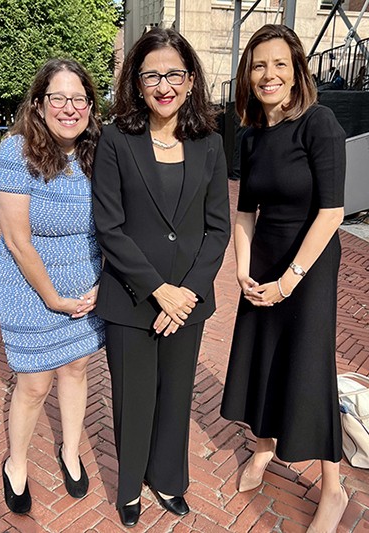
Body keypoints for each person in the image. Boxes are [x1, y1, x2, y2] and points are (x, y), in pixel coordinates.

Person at [92, 27, 230, 527]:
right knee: (132, 397)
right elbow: (109, 225)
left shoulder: (210, 143)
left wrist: (188, 292)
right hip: (132, 298)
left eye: (173, 73)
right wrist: (158, 290)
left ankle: (168, 478)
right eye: (152, 75)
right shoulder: (115, 140)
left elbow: (218, 229)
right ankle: (130, 485)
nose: (164, 84)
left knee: (176, 393)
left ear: (190, 80)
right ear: (137, 82)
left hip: (188, 302)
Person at [220, 24, 348, 533]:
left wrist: (289, 280)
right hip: (264, 261)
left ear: (297, 72)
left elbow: (332, 212)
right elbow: (245, 213)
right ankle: (264, 447)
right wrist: (242, 271)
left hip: (309, 265)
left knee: (308, 365)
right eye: (258, 65)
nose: (268, 74)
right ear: (247, 76)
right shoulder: (251, 136)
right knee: (262, 355)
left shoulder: (320, 124)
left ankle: (333, 488)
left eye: (278, 64)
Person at [0, 58, 105, 514]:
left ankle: (70, 449)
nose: (69, 107)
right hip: (30, 286)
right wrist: (51, 296)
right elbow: (18, 241)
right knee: (35, 384)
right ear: (39, 105)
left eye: (79, 98)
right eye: (57, 97)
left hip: (86, 284)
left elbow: (111, 225)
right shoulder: (16, 152)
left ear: (90, 107)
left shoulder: (97, 152)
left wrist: (101, 282)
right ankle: (15, 464)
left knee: (77, 370)